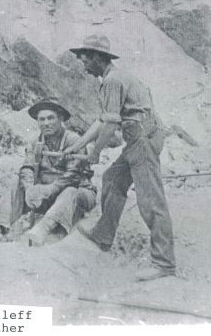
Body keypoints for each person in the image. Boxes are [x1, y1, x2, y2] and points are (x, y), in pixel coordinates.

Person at [70, 34, 176, 281]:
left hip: (142, 141)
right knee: (112, 179)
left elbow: (110, 125)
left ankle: (164, 263)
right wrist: (79, 144)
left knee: (151, 201)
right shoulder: (114, 78)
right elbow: (104, 119)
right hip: (140, 139)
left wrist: (94, 153)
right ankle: (103, 235)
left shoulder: (112, 81)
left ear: (98, 57)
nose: (83, 63)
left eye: (85, 58)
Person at [0, 99, 97, 247]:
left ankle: (44, 229)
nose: (46, 123)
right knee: (18, 184)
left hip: (77, 192)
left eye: (50, 118)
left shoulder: (73, 140)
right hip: (46, 195)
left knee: (70, 192)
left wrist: (49, 189)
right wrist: (30, 189)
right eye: (42, 119)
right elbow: (27, 168)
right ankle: (1, 227)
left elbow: (73, 175)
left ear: (60, 119)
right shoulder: (36, 141)